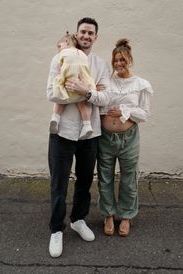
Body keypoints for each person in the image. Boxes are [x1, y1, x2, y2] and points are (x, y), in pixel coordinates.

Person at [46, 17, 110, 257]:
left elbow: (107, 99)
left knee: (84, 181)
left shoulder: (100, 64)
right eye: (83, 31)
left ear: (95, 37)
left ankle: (78, 220)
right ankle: (56, 230)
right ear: (77, 33)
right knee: (59, 184)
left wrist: (85, 91)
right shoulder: (59, 57)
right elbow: (52, 94)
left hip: (89, 132)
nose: (86, 36)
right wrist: (90, 93)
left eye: (90, 33)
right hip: (61, 132)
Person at [97, 38, 153, 237]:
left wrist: (123, 109)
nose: (118, 64)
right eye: (115, 60)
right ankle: (109, 215)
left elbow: (144, 114)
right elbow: (99, 105)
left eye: (122, 60)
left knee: (129, 179)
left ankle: (126, 216)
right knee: (105, 178)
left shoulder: (140, 84)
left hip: (129, 138)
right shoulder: (106, 82)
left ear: (130, 59)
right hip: (105, 138)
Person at [49, 31, 96, 139]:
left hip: (68, 82)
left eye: (59, 46)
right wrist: (91, 87)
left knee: (61, 98)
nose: (59, 49)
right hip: (82, 84)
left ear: (66, 41)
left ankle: (55, 118)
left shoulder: (63, 53)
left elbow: (62, 66)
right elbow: (86, 70)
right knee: (83, 104)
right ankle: (87, 125)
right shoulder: (83, 54)